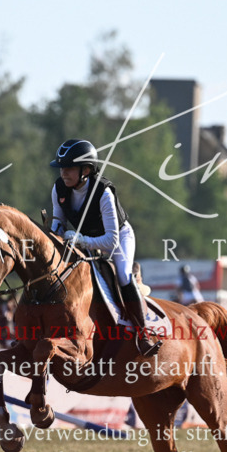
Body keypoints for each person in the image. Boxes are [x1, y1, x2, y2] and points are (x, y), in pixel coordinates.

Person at [49, 138, 160, 356]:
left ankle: (143, 334)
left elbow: (111, 241)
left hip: (118, 238)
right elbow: (58, 225)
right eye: (62, 167)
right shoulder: (59, 188)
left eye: (69, 168)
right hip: (85, 239)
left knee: (123, 275)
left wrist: (81, 240)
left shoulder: (103, 192)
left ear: (86, 170)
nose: (63, 173)